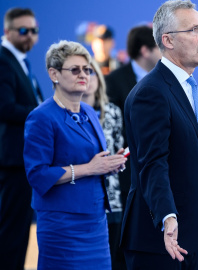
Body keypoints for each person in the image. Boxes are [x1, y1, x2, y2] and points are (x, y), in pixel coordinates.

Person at [120, 1, 198, 269]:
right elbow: (153, 163)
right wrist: (167, 216)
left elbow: (197, 163)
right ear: (168, 40)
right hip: (158, 241)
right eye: (193, 29)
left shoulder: (191, 89)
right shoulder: (150, 93)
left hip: (191, 237)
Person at [23, 40, 126, 269]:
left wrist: (110, 164)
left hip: (96, 221)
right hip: (62, 224)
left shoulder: (89, 111)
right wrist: (90, 168)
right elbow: (37, 175)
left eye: (86, 69)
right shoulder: (41, 117)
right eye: (75, 69)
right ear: (54, 74)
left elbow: (93, 161)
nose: (83, 74)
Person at [0, 8, 43, 269]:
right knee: (11, 233)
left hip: (22, 161)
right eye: (23, 31)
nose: (30, 36)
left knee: (18, 232)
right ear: (7, 32)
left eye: (34, 31)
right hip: (13, 161)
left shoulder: (21, 62)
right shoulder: (4, 61)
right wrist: (43, 112)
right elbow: (4, 107)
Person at [106, 25, 162, 213]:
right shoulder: (113, 81)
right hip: (126, 171)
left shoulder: (166, 78)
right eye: (159, 48)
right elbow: (111, 126)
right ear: (145, 51)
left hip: (160, 168)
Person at [82, 60, 127, 269]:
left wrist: (118, 161)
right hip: (80, 196)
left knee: (113, 258)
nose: (87, 78)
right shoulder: (66, 113)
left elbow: (119, 145)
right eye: (80, 72)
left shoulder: (113, 112)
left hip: (113, 197)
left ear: (99, 79)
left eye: (91, 73)